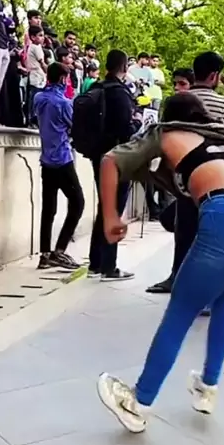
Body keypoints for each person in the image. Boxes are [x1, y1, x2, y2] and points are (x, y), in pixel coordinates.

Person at [96, 92, 224, 431]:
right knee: (223, 297)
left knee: (180, 312)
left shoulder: (165, 132)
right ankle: (207, 387)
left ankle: (138, 402)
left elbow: (110, 160)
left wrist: (111, 217)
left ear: (171, 116)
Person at [146, 51, 224, 294]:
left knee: (183, 226)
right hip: (214, 174)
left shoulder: (178, 100)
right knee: (211, 231)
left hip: (183, 172)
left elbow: (165, 133)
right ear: (215, 75)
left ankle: (178, 276)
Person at [88, 49, 137, 281]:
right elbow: (126, 129)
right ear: (124, 67)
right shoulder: (120, 93)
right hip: (117, 158)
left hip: (97, 154)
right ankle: (109, 266)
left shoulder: (95, 88)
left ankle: (95, 264)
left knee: (104, 206)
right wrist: (137, 124)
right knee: (114, 209)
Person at [33, 62, 85, 270]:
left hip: (46, 160)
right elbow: (75, 128)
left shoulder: (38, 98)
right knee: (78, 202)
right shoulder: (64, 103)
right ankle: (59, 251)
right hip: (62, 160)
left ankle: (45, 254)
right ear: (63, 79)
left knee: (48, 208)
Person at [25, 25, 48, 126]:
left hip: (39, 76)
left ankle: (34, 119)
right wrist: (49, 72)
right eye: (40, 35)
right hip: (36, 77)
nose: (43, 38)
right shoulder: (35, 47)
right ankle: (32, 119)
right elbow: (42, 63)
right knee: (35, 98)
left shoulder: (37, 47)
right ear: (33, 37)